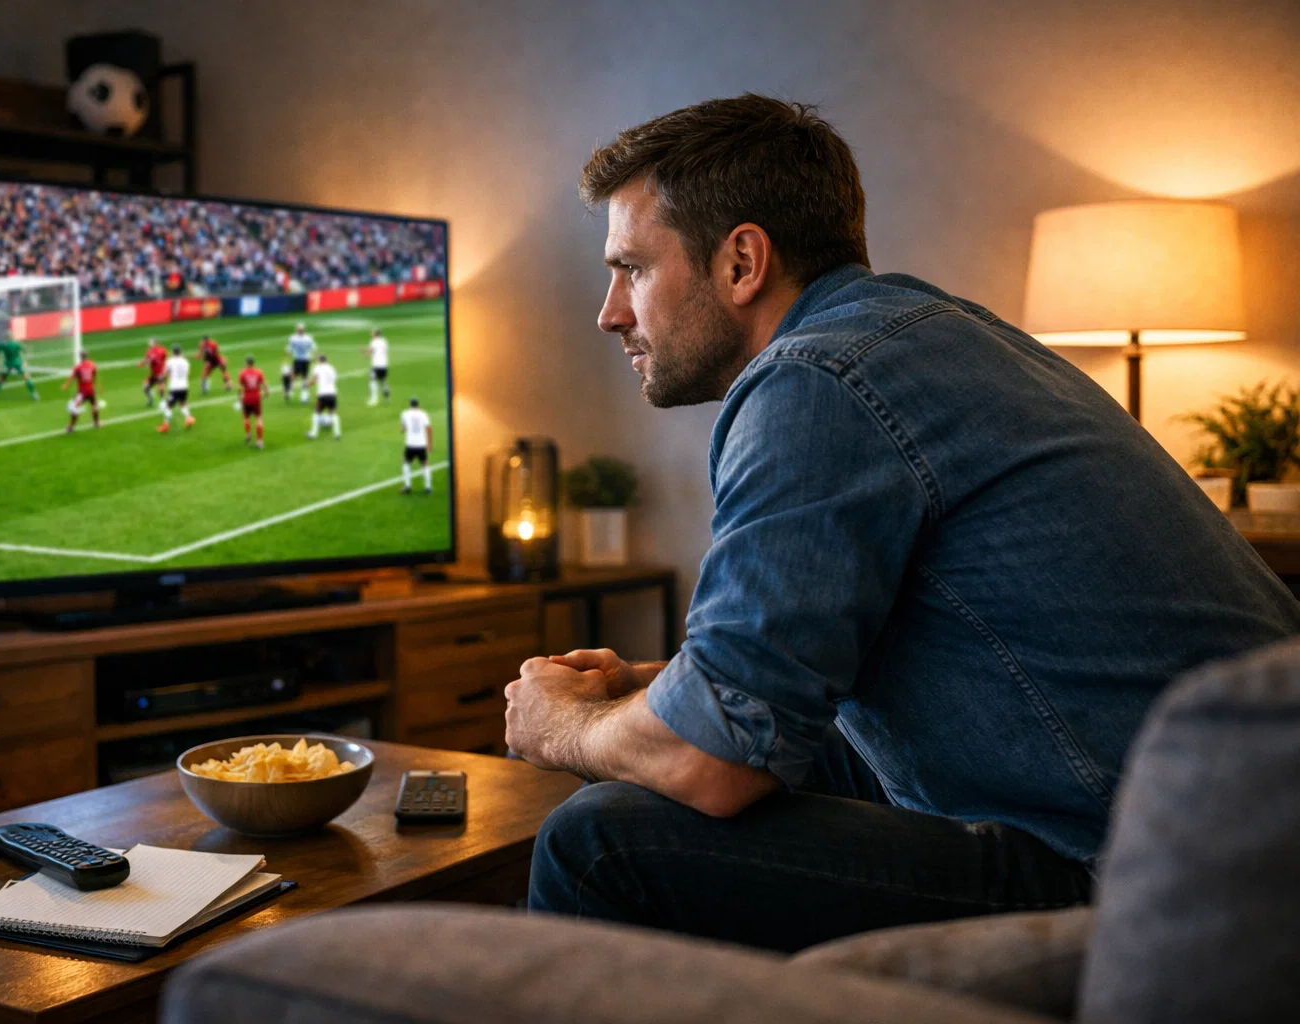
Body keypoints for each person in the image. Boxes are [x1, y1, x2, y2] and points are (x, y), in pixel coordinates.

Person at [506, 94, 1300, 956]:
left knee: (603, 840)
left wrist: (565, 727)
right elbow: (848, 656)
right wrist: (657, 688)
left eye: (632, 268)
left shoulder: (814, 381)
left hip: (1138, 874)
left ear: (742, 261)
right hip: (1229, 837)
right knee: (777, 740)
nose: (610, 311)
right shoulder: (930, 335)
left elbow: (716, 762)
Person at [0, 331, 38, 400]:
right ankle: (34, 394)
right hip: (17, 363)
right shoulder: (15, 344)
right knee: (26, 377)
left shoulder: (2, 344)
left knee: (1, 379)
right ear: (12, 336)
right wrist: (25, 360)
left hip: (7, 364)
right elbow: (26, 350)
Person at [156, 343, 194, 433]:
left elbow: (165, 374)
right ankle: (189, 418)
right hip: (184, 386)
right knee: (183, 404)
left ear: (173, 352)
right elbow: (187, 373)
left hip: (174, 387)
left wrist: (161, 383)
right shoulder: (185, 362)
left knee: (168, 406)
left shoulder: (170, 361)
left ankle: (165, 426)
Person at [61, 349, 100, 431]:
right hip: (91, 389)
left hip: (82, 392)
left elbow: (72, 377)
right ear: (87, 356)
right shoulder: (92, 365)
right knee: (94, 405)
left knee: (74, 407)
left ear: (80, 357)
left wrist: (66, 385)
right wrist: (96, 385)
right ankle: (96, 423)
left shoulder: (78, 367)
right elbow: (95, 374)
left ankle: (71, 426)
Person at [399, 397, 432, 494]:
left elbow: (403, 429)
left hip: (410, 444)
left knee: (406, 463)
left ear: (410, 404)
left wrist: (402, 429)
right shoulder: (424, 414)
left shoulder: (405, 414)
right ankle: (428, 487)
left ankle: (407, 486)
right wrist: (430, 444)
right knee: (424, 464)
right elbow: (429, 429)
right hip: (421, 444)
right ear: (418, 405)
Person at [306, 353, 340, 439]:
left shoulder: (318, 368)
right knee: (333, 413)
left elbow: (314, 380)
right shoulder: (331, 368)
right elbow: (335, 380)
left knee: (316, 412)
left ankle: (313, 433)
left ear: (319, 360)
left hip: (322, 394)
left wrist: (308, 384)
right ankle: (337, 433)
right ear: (326, 360)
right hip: (332, 393)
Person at [238, 354, 269, 449]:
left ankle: (248, 434)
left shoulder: (242, 373)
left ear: (246, 362)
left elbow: (240, 388)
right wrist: (266, 392)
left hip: (247, 398)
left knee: (246, 417)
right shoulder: (259, 372)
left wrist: (239, 397)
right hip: (256, 397)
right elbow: (264, 384)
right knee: (258, 418)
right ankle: (259, 441)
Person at [287, 322, 317, 403]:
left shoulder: (293, 338)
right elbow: (314, 348)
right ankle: (304, 395)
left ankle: (290, 391)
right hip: (306, 359)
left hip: (297, 359)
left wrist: (286, 359)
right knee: (305, 377)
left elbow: (289, 349)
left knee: (294, 375)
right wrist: (315, 357)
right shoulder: (308, 338)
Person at [364, 327, 391, 406]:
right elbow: (384, 350)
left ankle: (374, 399)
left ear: (376, 334)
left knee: (373, 381)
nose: (372, 335)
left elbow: (371, 351)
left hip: (376, 365)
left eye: (373, 334)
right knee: (383, 381)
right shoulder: (384, 341)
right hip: (384, 364)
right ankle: (387, 398)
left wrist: (365, 354)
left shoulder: (373, 342)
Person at [139, 337, 168, 407]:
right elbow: (147, 359)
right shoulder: (149, 351)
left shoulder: (162, 350)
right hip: (154, 374)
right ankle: (150, 400)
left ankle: (164, 401)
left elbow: (163, 359)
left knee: (160, 388)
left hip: (161, 373)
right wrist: (142, 363)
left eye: (150, 342)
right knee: (145, 387)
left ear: (155, 343)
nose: (149, 343)